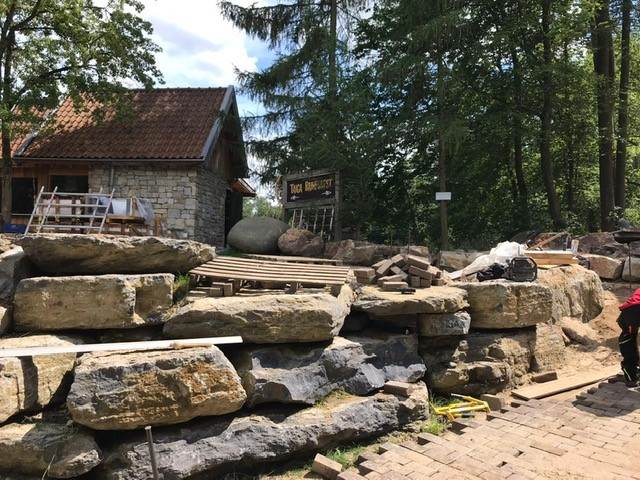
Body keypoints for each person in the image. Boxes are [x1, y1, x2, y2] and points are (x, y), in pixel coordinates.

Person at [618, 288, 640, 387]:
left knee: (628, 340)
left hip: (628, 314)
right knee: (628, 342)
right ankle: (631, 374)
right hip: (632, 313)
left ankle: (631, 373)